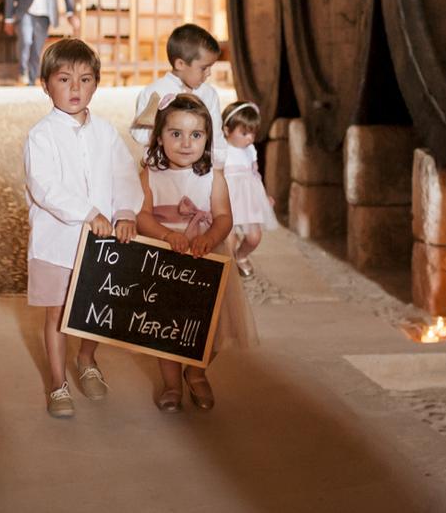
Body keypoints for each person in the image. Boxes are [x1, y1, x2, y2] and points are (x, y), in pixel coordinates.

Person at [23, 38, 142, 418]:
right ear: (45, 85)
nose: (75, 88)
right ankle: (57, 383)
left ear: (96, 84)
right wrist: (89, 212)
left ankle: (87, 359)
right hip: (57, 243)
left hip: (100, 244)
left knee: (96, 308)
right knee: (58, 315)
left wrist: (126, 212)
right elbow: (45, 187)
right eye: (64, 79)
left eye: (85, 79)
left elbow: (124, 173)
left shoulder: (105, 132)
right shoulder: (41, 136)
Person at [135, 93, 257, 413]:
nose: (186, 143)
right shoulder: (151, 175)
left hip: (205, 258)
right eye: (176, 133)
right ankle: (172, 383)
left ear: (207, 139)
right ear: (159, 137)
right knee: (165, 325)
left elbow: (224, 217)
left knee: (209, 324)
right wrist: (166, 235)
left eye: (196, 135)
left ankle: (197, 371)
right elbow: (142, 215)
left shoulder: (212, 177)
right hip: (165, 259)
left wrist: (210, 237)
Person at [130, 23, 226, 168]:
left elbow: (216, 135)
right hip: (161, 168)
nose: (209, 73)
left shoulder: (209, 94)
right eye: (204, 68)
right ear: (180, 64)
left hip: (198, 168)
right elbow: (138, 133)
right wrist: (162, 135)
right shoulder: (153, 92)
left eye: (210, 67)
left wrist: (218, 165)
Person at [221, 101, 278, 278]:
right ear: (227, 130)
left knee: (254, 237)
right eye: (244, 133)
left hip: (248, 199)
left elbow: (255, 176)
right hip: (227, 200)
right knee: (228, 240)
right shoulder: (221, 150)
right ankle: (229, 263)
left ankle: (241, 255)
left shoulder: (250, 150)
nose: (250, 138)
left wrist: (263, 196)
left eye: (253, 133)